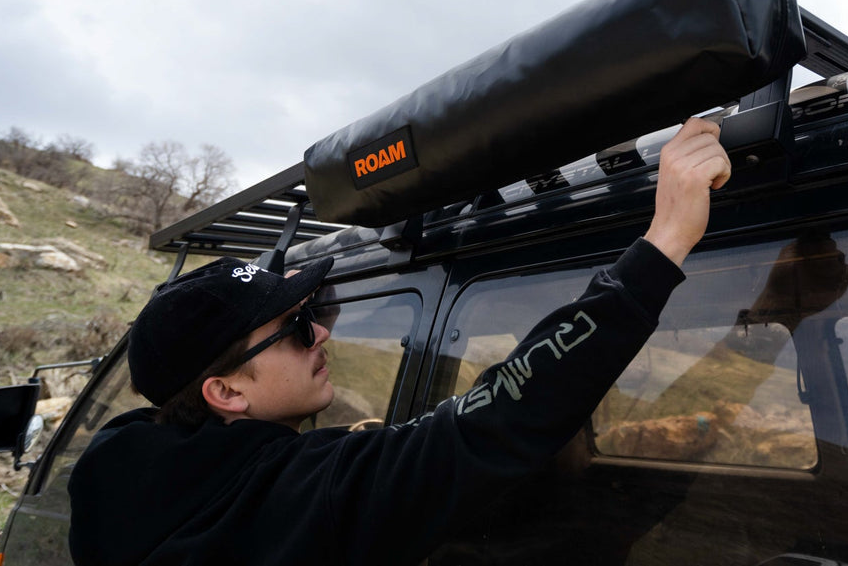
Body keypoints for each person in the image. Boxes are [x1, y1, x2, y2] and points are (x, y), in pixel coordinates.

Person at [67, 118, 732, 566]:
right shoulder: (300, 498)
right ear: (226, 391)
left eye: (315, 309)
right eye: (296, 327)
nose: (322, 330)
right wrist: (664, 240)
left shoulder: (115, 485)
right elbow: (489, 423)